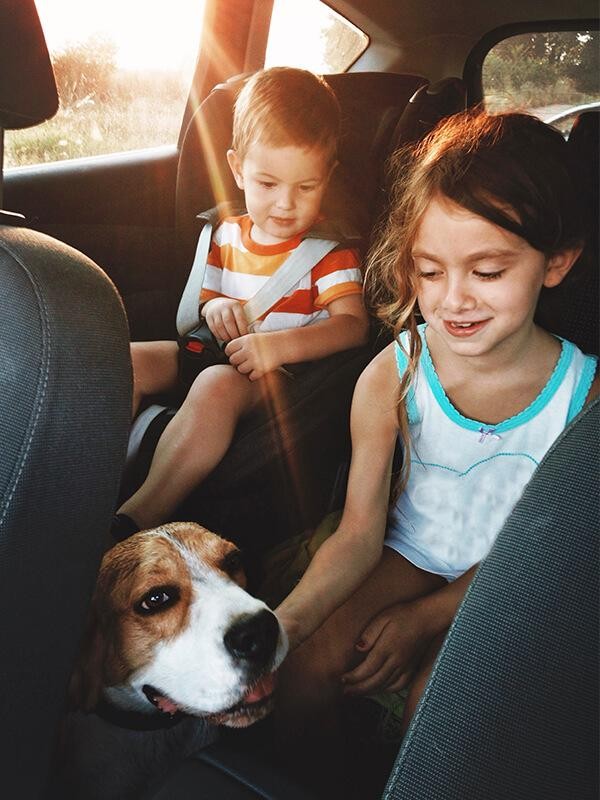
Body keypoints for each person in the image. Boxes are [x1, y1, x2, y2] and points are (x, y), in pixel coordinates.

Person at [273, 111, 599, 749]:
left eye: (487, 272)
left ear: (555, 262)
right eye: (429, 271)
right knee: (306, 666)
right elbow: (359, 533)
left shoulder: (583, 400)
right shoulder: (393, 374)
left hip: (517, 580)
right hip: (412, 553)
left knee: (442, 706)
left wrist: (427, 620)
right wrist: (284, 627)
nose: (453, 300)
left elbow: (560, 553)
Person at [112, 67, 369, 537]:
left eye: (305, 187)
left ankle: (137, 516)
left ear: (327, 176)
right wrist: (214, 309)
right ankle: (89, 475)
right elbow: (204, 301)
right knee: (124, 360)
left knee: (215, 385)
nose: (286, 204)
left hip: (273, 379)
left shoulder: (329, 253)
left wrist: (279, 347)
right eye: (267, 184)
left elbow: (352, 325)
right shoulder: (225, 232)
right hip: (210, 348)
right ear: (236, 168)